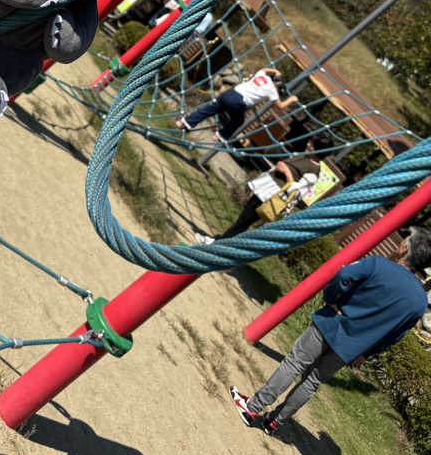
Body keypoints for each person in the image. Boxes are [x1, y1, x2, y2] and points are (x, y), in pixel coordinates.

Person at [230, 227, 431, 435]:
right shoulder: (419, 302)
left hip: (331, 322)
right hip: (352, 347)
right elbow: (394, 336)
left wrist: (332, 298)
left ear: (404, 248)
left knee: (293, 363)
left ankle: (252, 408)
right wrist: (365, 354)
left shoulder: (379, 265)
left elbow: (344, 274)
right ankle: (274, 422)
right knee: (312, 382)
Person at [194, 136, 329, 245]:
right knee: (244, 219)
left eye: (313, 145)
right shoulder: (303, 156)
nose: (308, 145)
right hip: (267, 187)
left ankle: (216, 244)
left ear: (320, 150)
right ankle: (221, 244)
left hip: (272, 196)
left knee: (244, 221)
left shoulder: (314, 172)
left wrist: (286, 171)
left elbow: (296, 191)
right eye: (310, 142)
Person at [177, 67, 297, 144]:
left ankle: (185, 122)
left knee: (209, 110)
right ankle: (220, 136)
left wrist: (275, 71)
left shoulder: (262, 76)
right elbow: (280, 106)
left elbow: (264, 69)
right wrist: (291, 99)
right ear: (278, 87)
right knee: (238, 121)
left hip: (230, 93)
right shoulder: (273, 90)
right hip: (239, 102)